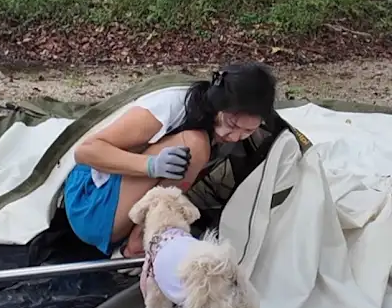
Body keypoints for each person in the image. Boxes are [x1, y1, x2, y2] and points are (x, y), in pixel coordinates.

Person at [63, 61, 276, 261]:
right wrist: (150, 166)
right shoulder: (171, 104)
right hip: (91, 204)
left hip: (121, 209)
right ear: (217, 104)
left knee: (196, 148)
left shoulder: (232, 132)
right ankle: (137, 244)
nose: (235, 137)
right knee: (194, 145)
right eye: (231, 124)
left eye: (248, 131)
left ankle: (139, 239)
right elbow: (85, 152)